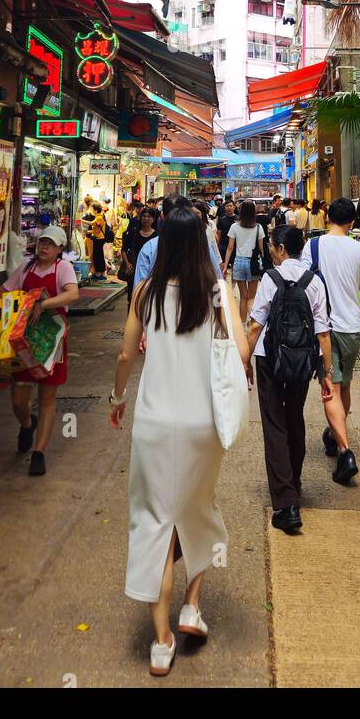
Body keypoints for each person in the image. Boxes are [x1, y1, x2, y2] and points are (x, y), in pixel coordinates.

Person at [110, 205, 250, 677]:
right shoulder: (216, 291)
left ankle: (161, 641)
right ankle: (191, 606)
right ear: (202, 244)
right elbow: (243, 351)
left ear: (163, 243)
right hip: (201, 425)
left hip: (153, 422)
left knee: (154, 522)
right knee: (196, 509)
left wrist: (116, 396)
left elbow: (127, 353)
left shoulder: (145, 292)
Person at [247, 224, 339, 533]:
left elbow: (255, 327)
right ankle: (294, 482)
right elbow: (323, 333)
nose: (270, 250)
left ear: (282, 249)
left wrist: (244, 361)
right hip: (302, 361)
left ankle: (286, 504)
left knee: (274, 425)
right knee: (294, 418)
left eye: (272, 246)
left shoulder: (270, 280)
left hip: (269, 359)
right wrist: (327, 373)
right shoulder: (315, 282)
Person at [0, 225, 79, 477]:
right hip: (25, 340)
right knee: (18, 399)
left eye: (50, 244)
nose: (44, 247)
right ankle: (27, 424)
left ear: (60, 249)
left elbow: (73, 294)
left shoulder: (63, 268)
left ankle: (39, 453)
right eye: (42, 243)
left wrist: (45, 303)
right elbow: (2, 292)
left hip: (52, 342)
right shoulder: (26, 268)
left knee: (46, 399)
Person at [302, 197, 360, 485]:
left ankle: (345, 451)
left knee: (329, 384)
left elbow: (304, 282)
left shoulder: (314, 246)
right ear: (353, 221)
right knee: (344, 384)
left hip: (325, 327)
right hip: (353, 328)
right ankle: (334, 434)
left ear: (328, 215)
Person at [135, 196, 223, 283]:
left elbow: (140, 288)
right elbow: (217, 283)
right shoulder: (202, 247)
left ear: (162, 216)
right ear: (189, 216)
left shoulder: (149, 248)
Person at [221, 200, 265, 325]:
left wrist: (225, 264)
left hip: (239, 262)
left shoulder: (234, 227)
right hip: (253, 264)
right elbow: (261, 249)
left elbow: (230, 248)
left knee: (243, 297)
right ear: (253, 211)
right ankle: (252, 324)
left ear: (240, 211)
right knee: (251, 297)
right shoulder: (258, 228)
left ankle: (241, 325)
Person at [123, 205, 158, 307]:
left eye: (149, 217)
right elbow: (124, 249)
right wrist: (127, 263)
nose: (146, 219)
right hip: (133, 269)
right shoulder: (134, 233)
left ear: (153, 219)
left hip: (151, 270)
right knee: (132, 297)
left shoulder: (157, 236)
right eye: (144, 216)